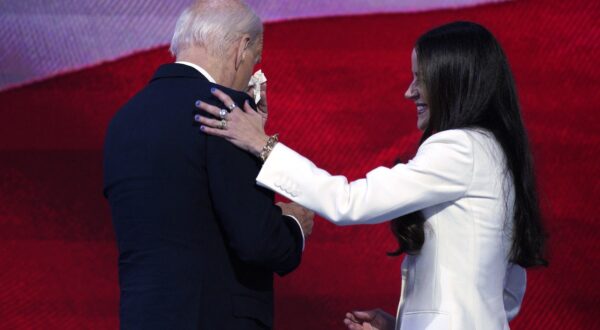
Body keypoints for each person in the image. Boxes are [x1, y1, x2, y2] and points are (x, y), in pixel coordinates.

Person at [194, 21, 547, 329]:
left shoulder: (460, 148)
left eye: (421, 80)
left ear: (453, 84)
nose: (409, 92)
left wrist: (263, 145)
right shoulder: (496, 154)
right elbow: (505, 293)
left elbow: (349, 202)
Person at [103, 1, 314, 329]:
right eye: (255, 61)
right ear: (242, 49)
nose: (252, 75)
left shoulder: (123, 120)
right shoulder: (225, 112)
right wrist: (295, 224)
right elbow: (259, 242)